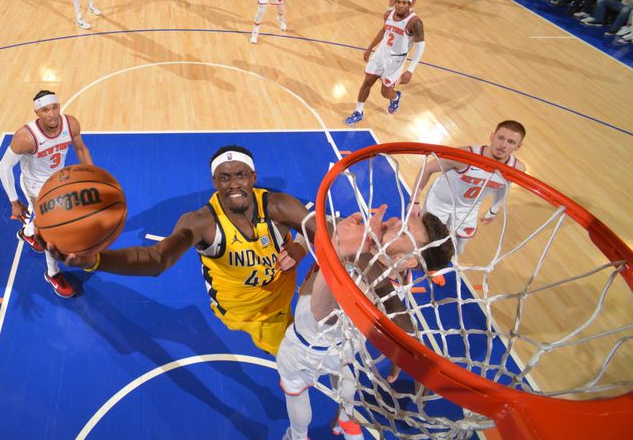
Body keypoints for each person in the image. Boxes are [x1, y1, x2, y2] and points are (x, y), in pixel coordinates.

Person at [47, 146, 318, 355]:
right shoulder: (202, 223)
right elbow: (157, 259)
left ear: (253, 178)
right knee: (296, 361)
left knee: (302, 352)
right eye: (225, 177)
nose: (233, 183)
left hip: (278, 303)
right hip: (239, 311)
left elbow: (325, 225)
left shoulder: (278, 206)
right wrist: (96, 260)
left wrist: (300, 247)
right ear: (214, 181)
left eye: (240, 175)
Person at [277, 206, 453, 440]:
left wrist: (336, 254)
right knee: (343, 373)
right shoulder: (393, 270)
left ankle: (297, 436)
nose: (393, 223)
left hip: (308, 344)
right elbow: (323, 220)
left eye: (402, 232)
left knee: (295, 389)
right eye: (401, 219)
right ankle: (346, 418)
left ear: (407, 260)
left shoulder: (361, 279)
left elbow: (322, 315)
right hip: (346, 346)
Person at [0, 90, 94, 298]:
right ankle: (53, 273)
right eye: (45, 110)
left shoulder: (71, 124)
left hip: (58, 180)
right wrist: (14, 201)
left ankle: (28, 233)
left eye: (54, 107)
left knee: (41, 222)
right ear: (37, 112)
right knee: (53, 231)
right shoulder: (26, 136)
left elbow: (81, 149)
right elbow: (4, 167)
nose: (51, 114)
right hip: (35, 185)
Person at [410, 120, 526, 256]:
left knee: (459, 244)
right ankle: (418, 262)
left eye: (511, 142)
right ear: (492, 136)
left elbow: (503, 187)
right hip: (440, 201)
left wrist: (494, 210)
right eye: (501, 138)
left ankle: (442, 266)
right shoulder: (465, 155)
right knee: (429, 239)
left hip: (468, 207)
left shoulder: (517, 168)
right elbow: (428, 168)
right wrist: (415, 201)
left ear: (518, 146)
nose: (503, 145)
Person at [344, 0, 425, 125]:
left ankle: (395, 96)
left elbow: (421, 46)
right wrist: (370, 47)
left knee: (385, 92)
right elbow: (384, 30)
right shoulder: (388, 14)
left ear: (410, 4)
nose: (400, 5)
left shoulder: (415, 22)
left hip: (396, 60)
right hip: (381, 53)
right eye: (398, 2)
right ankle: (358, 112)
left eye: (404, 3)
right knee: (367, 82)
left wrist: (410, 70)